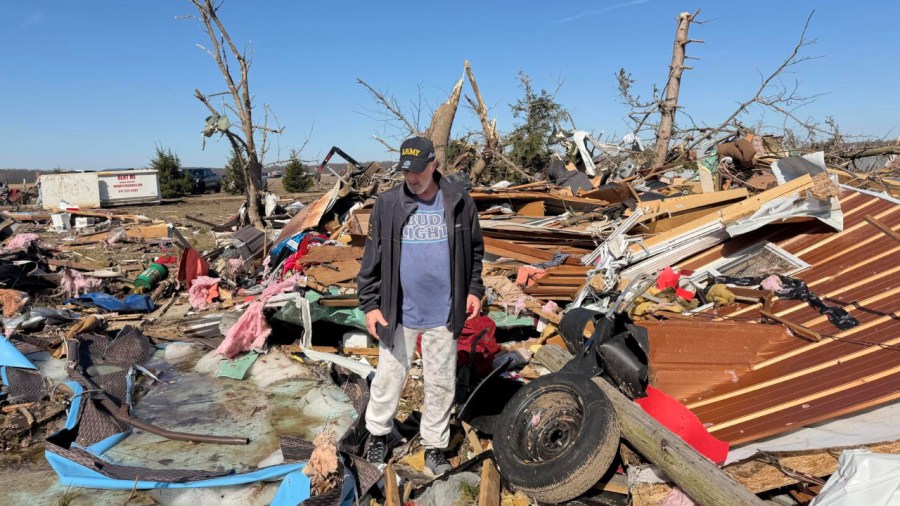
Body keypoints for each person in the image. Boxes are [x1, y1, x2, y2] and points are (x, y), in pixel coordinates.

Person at [357, 136, 484, 476]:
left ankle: (434, 446)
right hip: (398, 311)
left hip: (444, 312)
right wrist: (370, 304)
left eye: (417, 171)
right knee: (389, 377)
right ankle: (379, 435)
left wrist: (473, 289)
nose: (411, 178)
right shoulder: (388, 204)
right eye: (406, 172)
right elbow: (372, 259)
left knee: (441, 382)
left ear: (434, 165)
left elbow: (475, 251)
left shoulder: (458, 201)